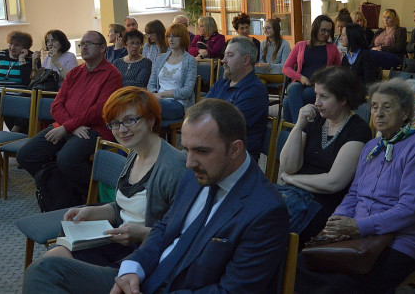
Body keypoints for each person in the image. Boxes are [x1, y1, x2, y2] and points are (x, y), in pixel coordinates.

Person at [22, 98, 289, 294]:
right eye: (187, 149)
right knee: (45, 271)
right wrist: (132, 269)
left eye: (202, 151)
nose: (189, 162)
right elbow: (164, 229)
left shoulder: (264, 210)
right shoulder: (198, 174)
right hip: (145, 275)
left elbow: (232, 292)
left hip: (171, 287)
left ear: (235, 149)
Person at [295, 78, 415, 293]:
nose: (378, 113)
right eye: (374, 107)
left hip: (400, 241)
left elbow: (410, 209)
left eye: (387, 107)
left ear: (405, 113)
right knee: (299, 264)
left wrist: (357, 227)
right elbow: (354, 193)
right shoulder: (373, 145)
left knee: (341, 285)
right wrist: (338, 222)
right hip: (360, 235)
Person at [42, 87, 187, 266]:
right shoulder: (135, 153)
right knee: (52, 258)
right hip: (120, 240)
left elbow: (183, 234)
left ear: (151, 120)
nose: (122, 130)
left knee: (51, 267)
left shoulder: (174, 168)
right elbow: (126, 207)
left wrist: (141, 233)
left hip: (143, 255)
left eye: (130, 120)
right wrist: (93, 212)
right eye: (115, 123)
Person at [17, 31, 123, 205]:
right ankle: (62, 191)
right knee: (26, 155)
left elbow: (99, 111)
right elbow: (56, 105)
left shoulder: (112, 75)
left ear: (103, 48)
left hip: (95, 129)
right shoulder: (75, 73)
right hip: (67, 126)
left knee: (66, 159)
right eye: (82, 44)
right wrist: (70, 126)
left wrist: (67, 127)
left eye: (89, 43)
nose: (84, 47)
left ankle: (93, 196)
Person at [279, 66, 372, 243]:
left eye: (324, 97)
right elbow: (289, 166)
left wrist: (292, 179)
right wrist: (299, 125)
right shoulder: (316, 119)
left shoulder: (358, 130)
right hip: (295, 195)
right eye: (316, 95)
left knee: (270, 226)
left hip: (323, 205)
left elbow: (333, 182)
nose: (317, 102)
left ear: (343, 99)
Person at [206, 37, 269, 162]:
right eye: (224, 55)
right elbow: (200, 111)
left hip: (236, 160)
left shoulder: (255, 90)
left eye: (230, 55)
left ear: (246, 60)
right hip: (213, 150)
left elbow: (227, 127)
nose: (223, 60)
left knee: (179, 169)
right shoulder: (222, 82)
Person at [282, 15, 341, 123]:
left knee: (287, 102)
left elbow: (338, 71)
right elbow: (286, 68)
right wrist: (301, 77)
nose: (326, 34)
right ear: (315, 28)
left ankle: (296, 129)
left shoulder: (332, 48)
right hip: (301, 82)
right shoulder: (300, 45)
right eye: (323, 30)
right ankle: (300, 128)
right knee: (292, 88)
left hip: (319, 86)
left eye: (329, 31)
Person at [147, 23, 197, 120]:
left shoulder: (190, 60)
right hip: (158, 100)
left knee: (147, 110)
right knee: (138, 104)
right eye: (169, 36)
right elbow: (151, 84)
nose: (171, 39)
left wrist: (162, 94)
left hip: (178, 103)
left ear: (182, 38)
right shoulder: (160, 58)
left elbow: (187, 91)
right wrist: (154, 94)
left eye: (175, 36)